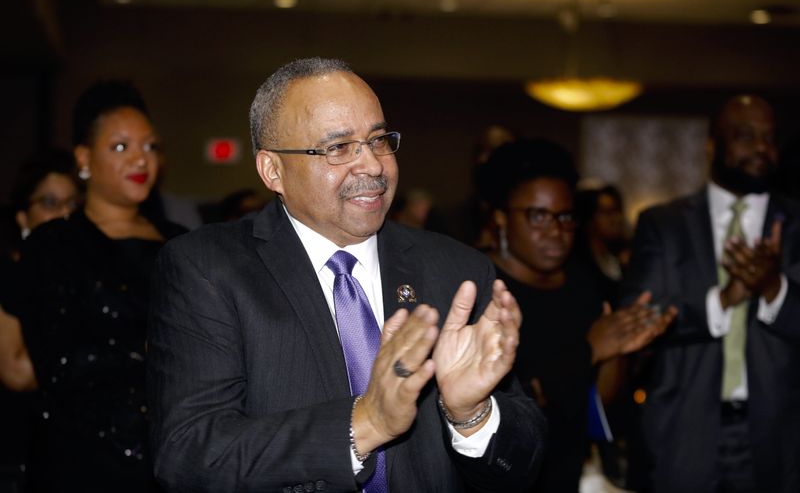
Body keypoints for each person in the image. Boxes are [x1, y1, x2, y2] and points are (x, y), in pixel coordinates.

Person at [147, 57, 546, 492]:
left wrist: (471, 414)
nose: (373, 166)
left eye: (378, 140)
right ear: (272, 170)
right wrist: (367, 423)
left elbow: (525, 459)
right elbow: (190, 453)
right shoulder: (208, 269)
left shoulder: (457, 272)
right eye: (338, 148)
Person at [6, 80, 184, 492]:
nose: (141, 159)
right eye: (121, 147)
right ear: (84, 160)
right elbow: (55, 363)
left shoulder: (181, 244)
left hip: (168, 459)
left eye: (150, 146)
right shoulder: (54, 244)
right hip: (78, 462)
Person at [622, 94, 800, 493]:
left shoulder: (796, 223)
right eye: (745, 136)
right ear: (712, 144)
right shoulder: (663, 223)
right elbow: (636, 319)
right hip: (683, 432)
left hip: (781, 438)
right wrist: (724, 299)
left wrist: (773, 288)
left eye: (769, 138)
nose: (761, 148)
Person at [477, 139, 675, 492]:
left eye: (565, 216)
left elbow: (599, 402)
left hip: (569, 467)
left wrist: (619, 349)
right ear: (501, 218)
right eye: (538, 216)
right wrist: (591, 350)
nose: (556, 230)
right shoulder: (478, 287)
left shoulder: (582, 284)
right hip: (501, 472)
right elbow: (511, 400)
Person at [0, 149, 79, 491]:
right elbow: (15, 370)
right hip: (15, 450)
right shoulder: (9, 272)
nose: (63, 215)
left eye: (72, 205)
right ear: (22, 217)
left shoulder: (80, 273)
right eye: (50, 203)